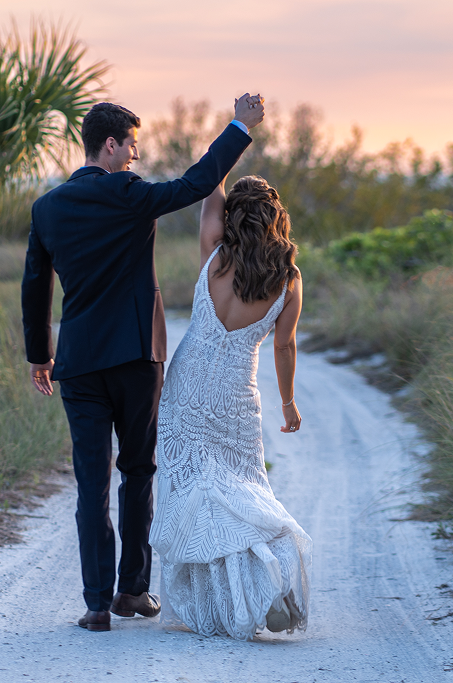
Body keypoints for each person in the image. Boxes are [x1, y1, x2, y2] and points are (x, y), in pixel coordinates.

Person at [21, 95, 266, 632]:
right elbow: (195, 184)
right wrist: (239, 128)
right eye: (132, 145)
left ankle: (95, 604)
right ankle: (132, 590)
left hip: (80, 364)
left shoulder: (46, 208)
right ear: (110, 144)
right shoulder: (128, 194)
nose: (135, 155)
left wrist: (40, 355)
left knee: (91, 483)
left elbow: (35, 287)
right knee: (137, 471)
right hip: (136, 357)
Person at [148, 174, 311, 640]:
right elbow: (284, 347)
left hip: (186, 391)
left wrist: (235, 131)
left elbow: (209, 190)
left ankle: (220, 604)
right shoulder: (289, 278)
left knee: (196, 493)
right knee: (241, 491)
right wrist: (289, 404)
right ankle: (260, 584)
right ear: (276, 217)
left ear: (232, 216)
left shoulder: (213, 253)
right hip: (236, 399)